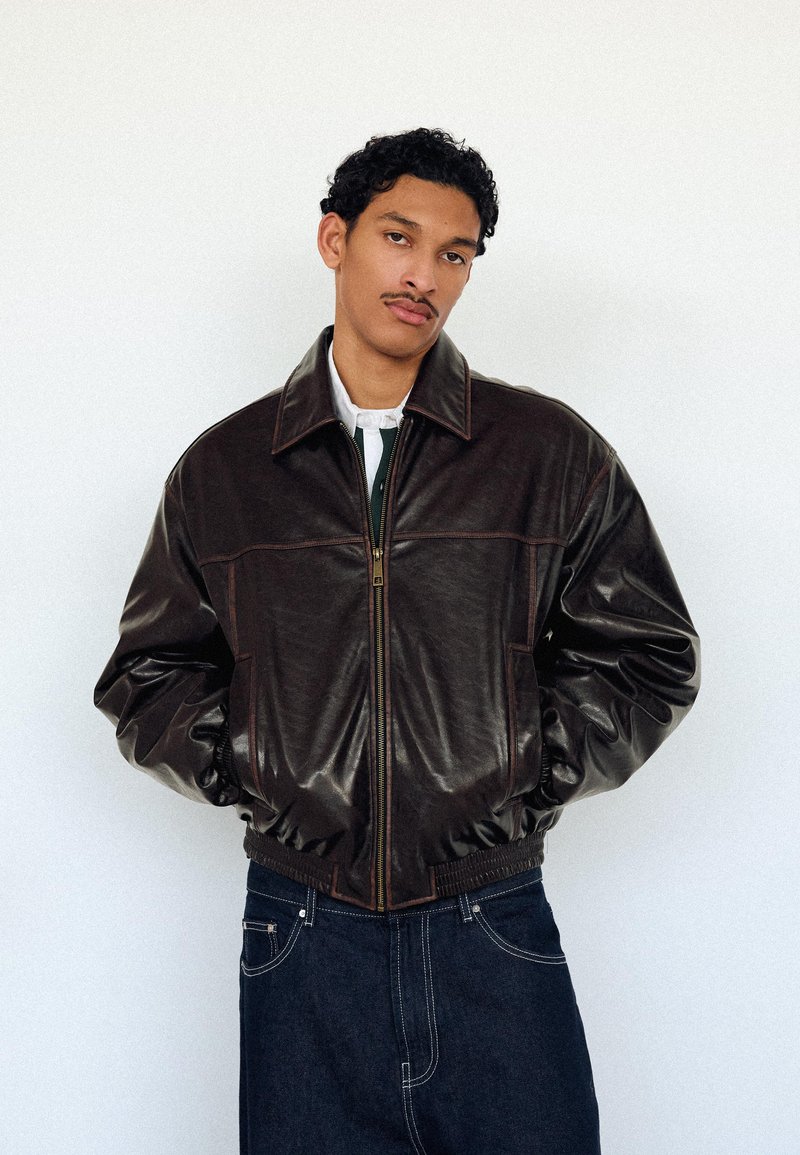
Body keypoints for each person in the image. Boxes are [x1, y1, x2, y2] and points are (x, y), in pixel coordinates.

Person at [95, 128, 700, 1155]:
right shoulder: (226, 469)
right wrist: (264, 767)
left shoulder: (545, 454)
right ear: (335, 240)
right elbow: (148, 674)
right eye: (398, 236)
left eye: (455, 254)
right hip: (299, 926)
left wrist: (514, 769)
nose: (424, 274)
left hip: (489, 917)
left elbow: (646, 654)